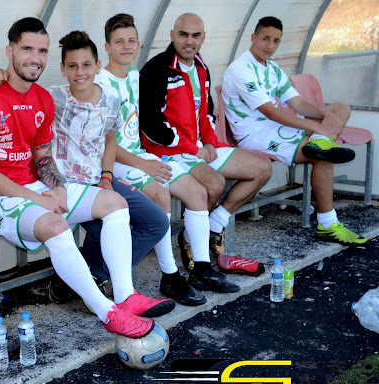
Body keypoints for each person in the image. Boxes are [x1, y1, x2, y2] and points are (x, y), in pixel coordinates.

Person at [0, 17, 174, 340]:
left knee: (115, 203)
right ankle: (108, 313)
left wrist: (57, 188)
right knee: (56, 226)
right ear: (9, 51)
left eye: (41, 51)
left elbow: (43, 157)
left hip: (32, 188)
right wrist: (37, 198)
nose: (35, 58)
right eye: (27, 49)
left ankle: (125, 295)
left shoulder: (42, 99)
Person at [46, 30, 177, 307]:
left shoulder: (110, 98)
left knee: (157, 221)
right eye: (72, 66)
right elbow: (16, 90)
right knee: (105, 228)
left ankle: (95, 274)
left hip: (99, 180)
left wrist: (106, 176)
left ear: (97, 66)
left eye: (86, 65)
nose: (79, 72)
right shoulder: (52, 98)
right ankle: (87, 280)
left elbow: (109, 140)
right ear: (63, 69)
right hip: (68, 187)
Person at [141, 13, 271, 290]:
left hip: (200, 147)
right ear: (172, 35)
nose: (189, 41)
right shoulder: (156, 69)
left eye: (195, 35)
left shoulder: (201, 66)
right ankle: (195, 251)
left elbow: (207, 113)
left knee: (262, 169)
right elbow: (151, 126)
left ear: (203, 37)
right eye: (183, 34)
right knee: (214, 183)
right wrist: (193, 148)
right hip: (169, 150)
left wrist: (210, 142)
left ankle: (211, 226)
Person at [92, 13, 207, 306]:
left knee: (196, 192)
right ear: (107, 47)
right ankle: (170, 275)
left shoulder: (135, 76)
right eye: (119, 41)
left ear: (139, 44)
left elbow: (145, 124)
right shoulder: (100, 83)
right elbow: (105, 143)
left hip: (141, 155)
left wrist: (152, 157)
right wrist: (143, 164)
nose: (126, 46)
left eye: (131, 40)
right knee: (160, 194)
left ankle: (203, 267)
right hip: (114, 161)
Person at [221, 16, 367, 246]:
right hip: (256, 135)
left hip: (276, 127)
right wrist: (318, 126)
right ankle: (328, 224)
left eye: (276, 41)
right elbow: (270, 112)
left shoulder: (273, 68)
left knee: (340, 109)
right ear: (253, 37)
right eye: (265, 39)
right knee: (323, 156)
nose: (270, 45)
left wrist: (325, 115)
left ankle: (319, 141)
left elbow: (297, 102)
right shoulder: (240, 69)